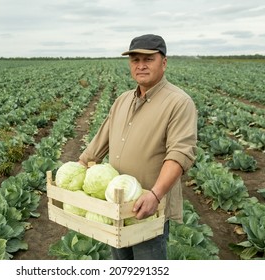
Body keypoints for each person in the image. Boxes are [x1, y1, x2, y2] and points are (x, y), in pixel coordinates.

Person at [78, 34, 198, 260]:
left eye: (148, 59)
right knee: (121, 262)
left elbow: (180, 154)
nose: (140, 65)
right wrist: (80, 165)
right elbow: (100, 140)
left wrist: (155, 194)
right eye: (135, 60)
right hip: (115, 204)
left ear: (164, 62)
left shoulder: (179, 102)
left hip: (148, 208)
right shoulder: (122, 100)